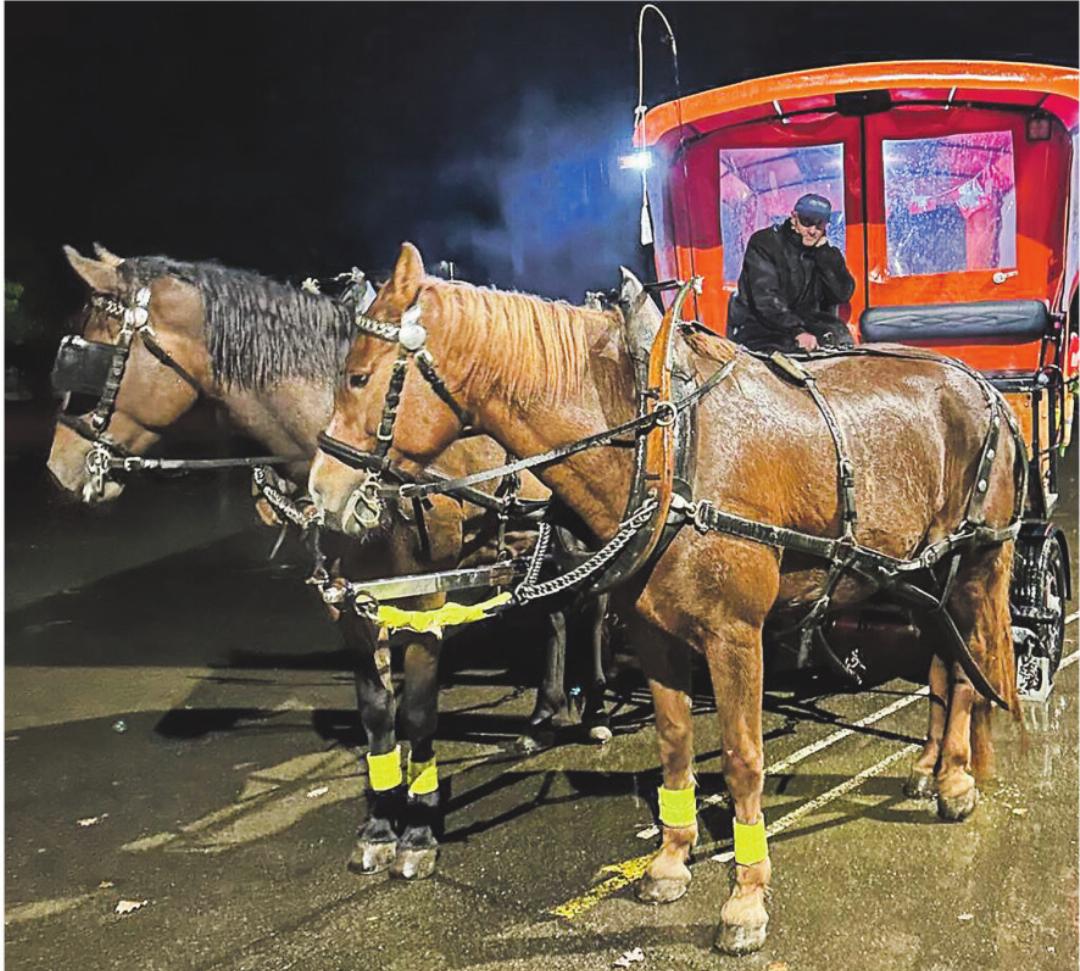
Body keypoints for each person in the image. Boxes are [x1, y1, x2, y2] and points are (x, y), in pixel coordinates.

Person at [727, 193, 856, 354]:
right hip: (763, 329)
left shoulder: (825, 253)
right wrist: (796, 331)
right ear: (794, 217)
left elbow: (842, 294)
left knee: (842, 344)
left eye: (819, 225)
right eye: (806, 222)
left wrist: (824, 253)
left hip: (810, 327)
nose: (812, 231)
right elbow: (766, 299)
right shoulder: (765, 243)